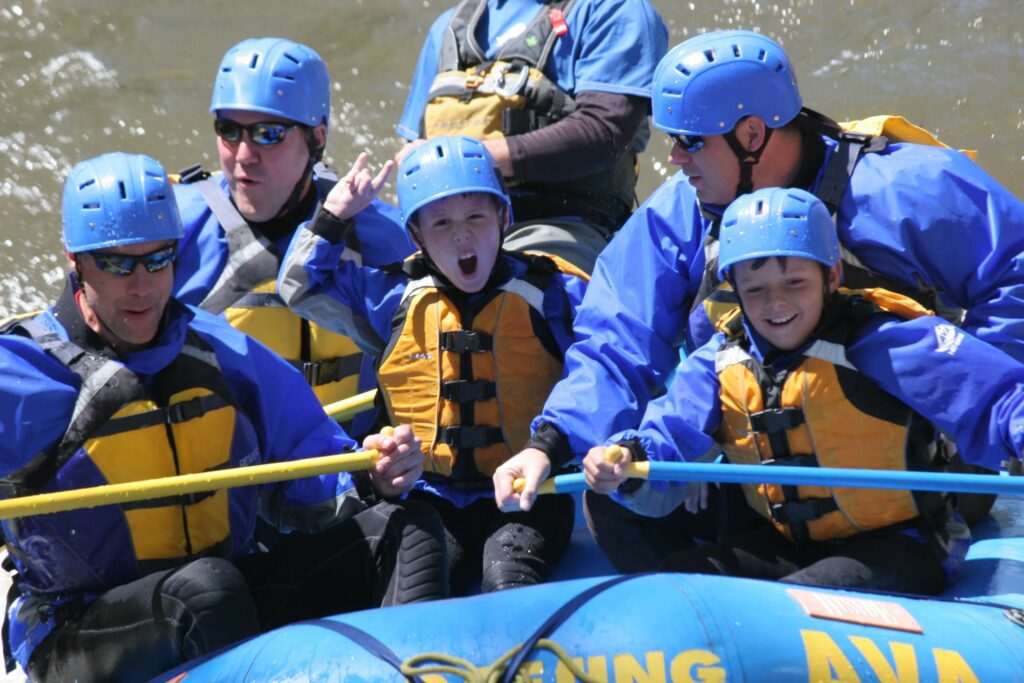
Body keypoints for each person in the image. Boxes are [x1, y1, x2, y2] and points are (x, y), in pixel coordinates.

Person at [494, 29, 1024, 566]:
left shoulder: (904, 188)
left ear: (751, 134)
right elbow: (616, 339)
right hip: (768, 472)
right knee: (617, 500)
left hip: (909, 468)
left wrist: (969, 407)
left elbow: (1015, 273)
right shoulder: (681, 210)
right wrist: (551, 444)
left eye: (690, 140)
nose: (674, 159)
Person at [0, 153, 447, 682]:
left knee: (405, 528)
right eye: (118, 264)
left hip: (223, 606)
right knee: (207, 592)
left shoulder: (223, 355)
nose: (142, 286)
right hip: (81, 629)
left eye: (159, 259)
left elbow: (316, 473)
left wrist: (376, 475)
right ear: (74, 260)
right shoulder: (20, 373)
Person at [583, 187, 1024, 593]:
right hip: (789, 543)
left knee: (803, 595)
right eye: (755, 290)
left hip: (902, 544)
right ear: (734, 289)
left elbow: (996, 396)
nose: (776, 303)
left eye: (795, 282)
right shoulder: (719, 359)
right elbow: (671, 434)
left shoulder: (878, 341)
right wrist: (630, 456)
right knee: (675, 580)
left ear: (831, 275)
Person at [279, 135, 588, 594]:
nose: (461, 235)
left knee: (506, 578)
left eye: (475, 217)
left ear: (504, 216)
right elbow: (300, 286)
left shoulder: (556, 293)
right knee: (421, 581)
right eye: (440, 223)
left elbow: (610, 362)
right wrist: (334, 216)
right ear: (417, 237)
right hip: (429, 497)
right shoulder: (389, 298)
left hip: (529, 493)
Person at [173, 37, 414, 436]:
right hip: (229, 483)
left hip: (354, 475)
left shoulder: (386, 238)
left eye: (268, 133)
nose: (244, 155)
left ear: (317, 138)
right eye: (228, 130)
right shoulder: (171, 237)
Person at [396, 0, 668, 273]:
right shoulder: (448, 28)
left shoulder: (613, 10)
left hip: (558, 224)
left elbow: (605, 131)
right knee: (357, 248)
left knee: (513, 296)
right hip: (447, 234)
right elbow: (411, 153)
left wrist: (469, 159)